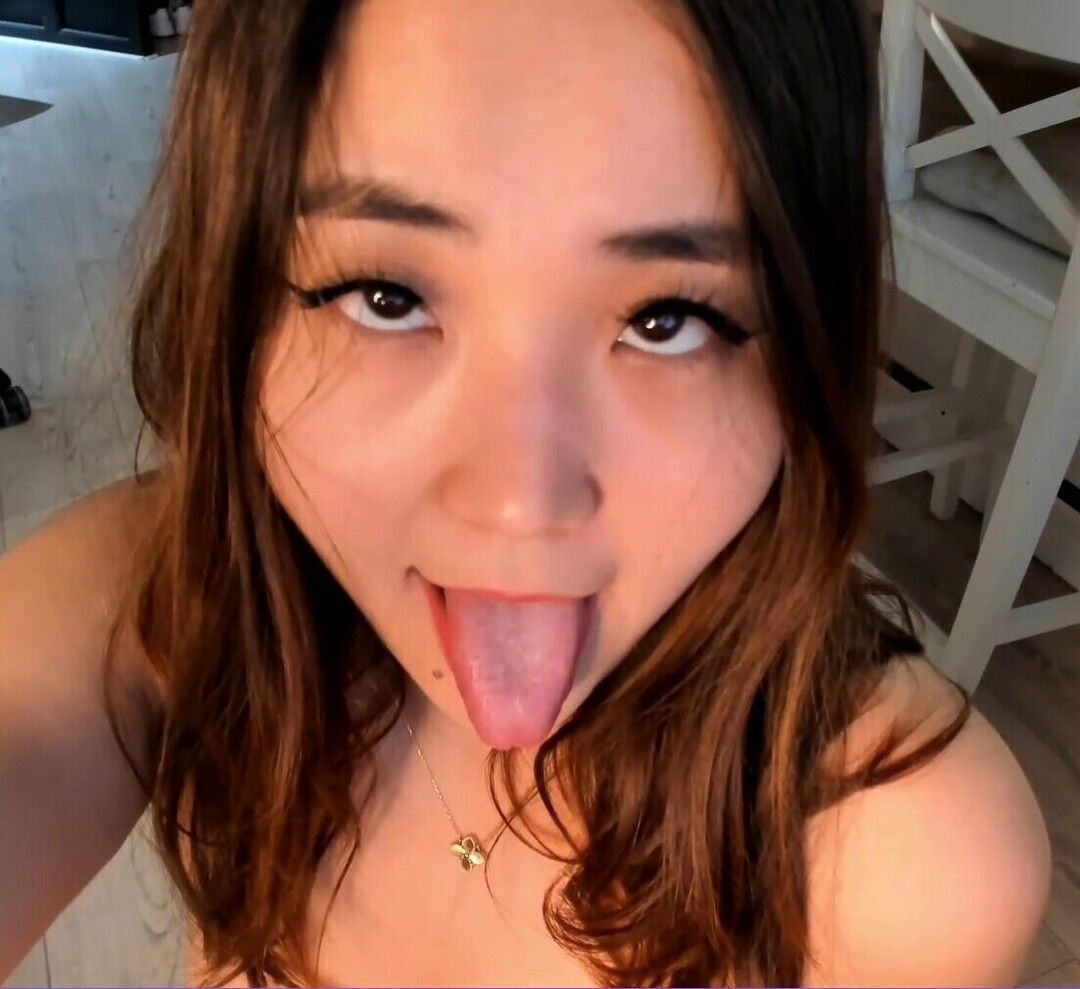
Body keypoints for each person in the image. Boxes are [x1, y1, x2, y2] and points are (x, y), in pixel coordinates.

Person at [0, 0, 1053, 985]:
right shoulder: (176, 611)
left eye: (668, 318)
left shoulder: (901, 859)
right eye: (385, 296)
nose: (519, 505)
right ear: (237, 307)